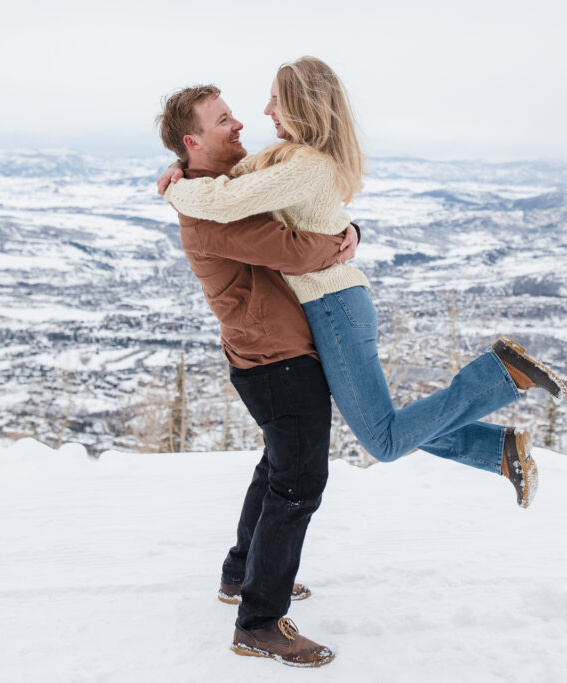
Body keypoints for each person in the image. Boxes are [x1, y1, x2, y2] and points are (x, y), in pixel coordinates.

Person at [158, 57, 567, 511]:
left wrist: (174, 190)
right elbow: (229, 176)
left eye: (275, 100)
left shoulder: (303, 165)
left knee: (384, 440)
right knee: (380, 422)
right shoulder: (283, 157)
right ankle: (499, 452)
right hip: (333, 306)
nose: (266, 110)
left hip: (333, 306)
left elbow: (227, 198)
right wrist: (182, 165)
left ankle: (499, 376)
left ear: (298, 104)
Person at [155, 84, 351, 667]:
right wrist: (345, 241)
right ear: (193, 141)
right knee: (298, 483)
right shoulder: (204, 207)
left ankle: (241, 576)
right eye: (223, 121)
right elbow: (293, 249)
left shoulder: (218, 189)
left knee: (276, 470)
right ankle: (260, 622)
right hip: (276, 359)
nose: (239, 125)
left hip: (270, 353)